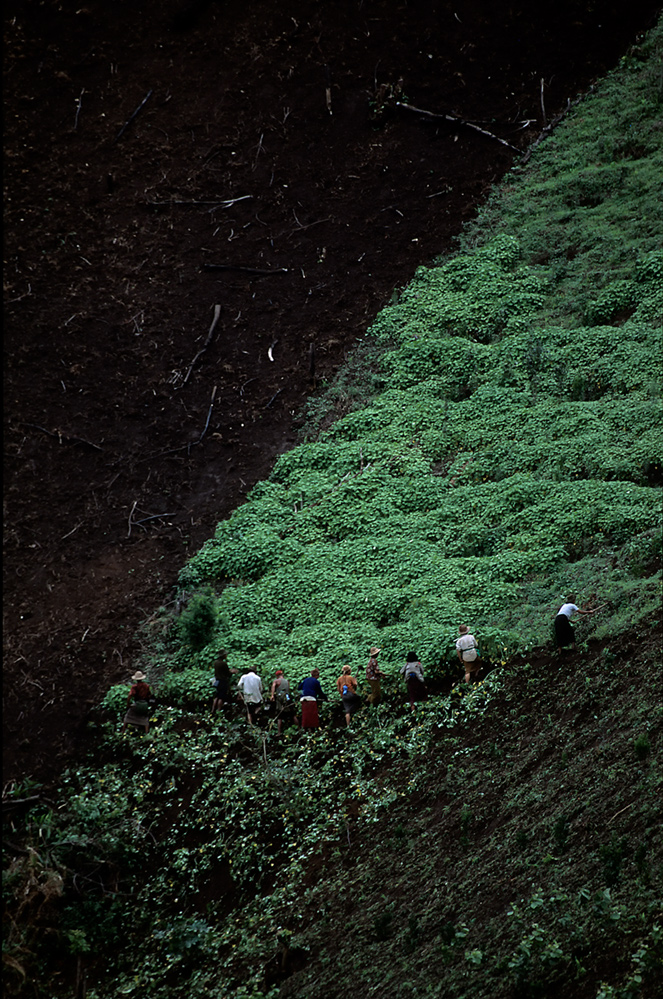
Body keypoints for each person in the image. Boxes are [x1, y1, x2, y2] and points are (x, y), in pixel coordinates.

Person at [122, 670, 154, 734]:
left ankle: (123, 732)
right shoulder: (146, 686)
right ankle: (147, 732)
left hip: (138, 704)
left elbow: (130, 695)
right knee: (145, 717)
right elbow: (149, 695)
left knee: (127, 716)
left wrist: (128, 704)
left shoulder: (135, 687)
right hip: (145, 704)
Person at [270, 668, 295, 735]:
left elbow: (273, 687)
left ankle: (279, 732)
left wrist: (272, 695)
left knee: (279, 715)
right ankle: (298, 728)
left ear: (277, 676)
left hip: (280, 698)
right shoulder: (287, 681)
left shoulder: (276, 681)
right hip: (287, 698)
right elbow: (288, 689)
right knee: (292, 714)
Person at [211, 649, 234, 713]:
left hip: (217, 681)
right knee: (221, 697)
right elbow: (227, 674)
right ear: (223, 656)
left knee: (217, 696)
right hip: (223, 681)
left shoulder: (216, 663)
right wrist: (232, 672)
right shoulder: (223, 663)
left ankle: (212, 710)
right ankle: (219, 710)